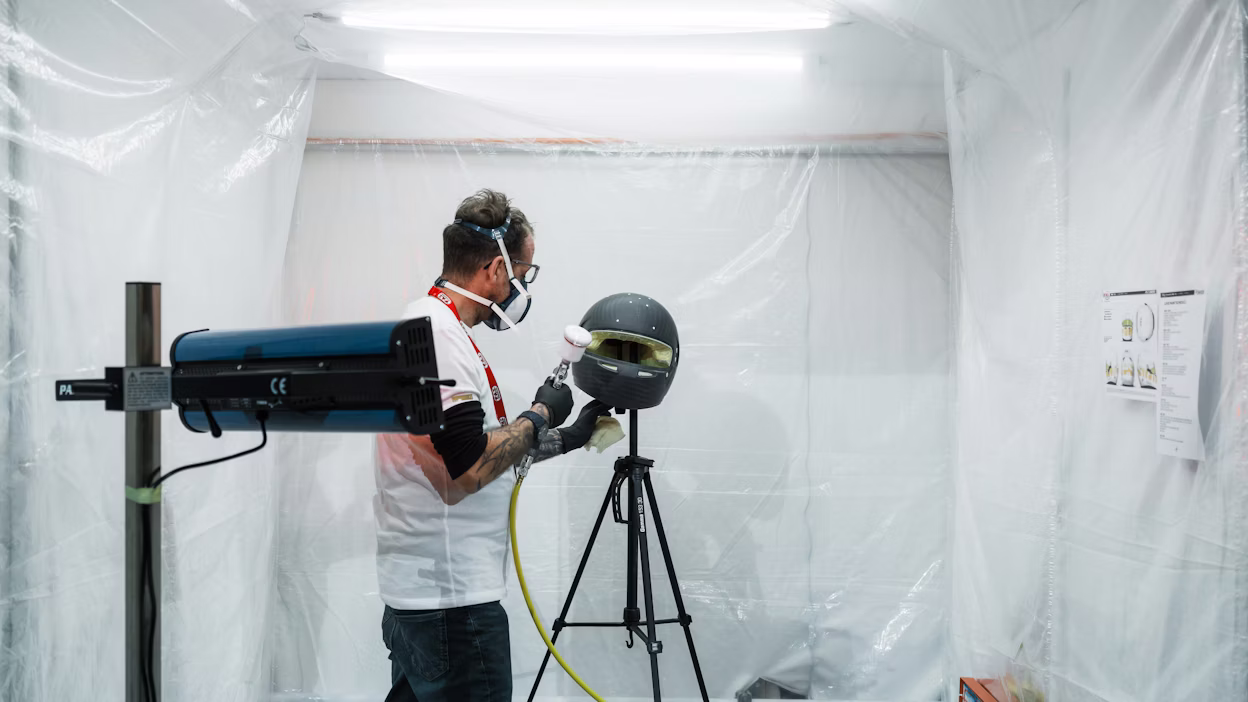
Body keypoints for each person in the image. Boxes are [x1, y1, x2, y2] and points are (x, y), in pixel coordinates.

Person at [374, 189, 610, 702]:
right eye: (521, 272)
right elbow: (469, 471)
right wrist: (541, 412)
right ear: (493, 269)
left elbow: (473, 448)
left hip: (424, 597)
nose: (522, 286)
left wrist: (568, 436)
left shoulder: (429, 325)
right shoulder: (439, 337)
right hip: (452, 606)